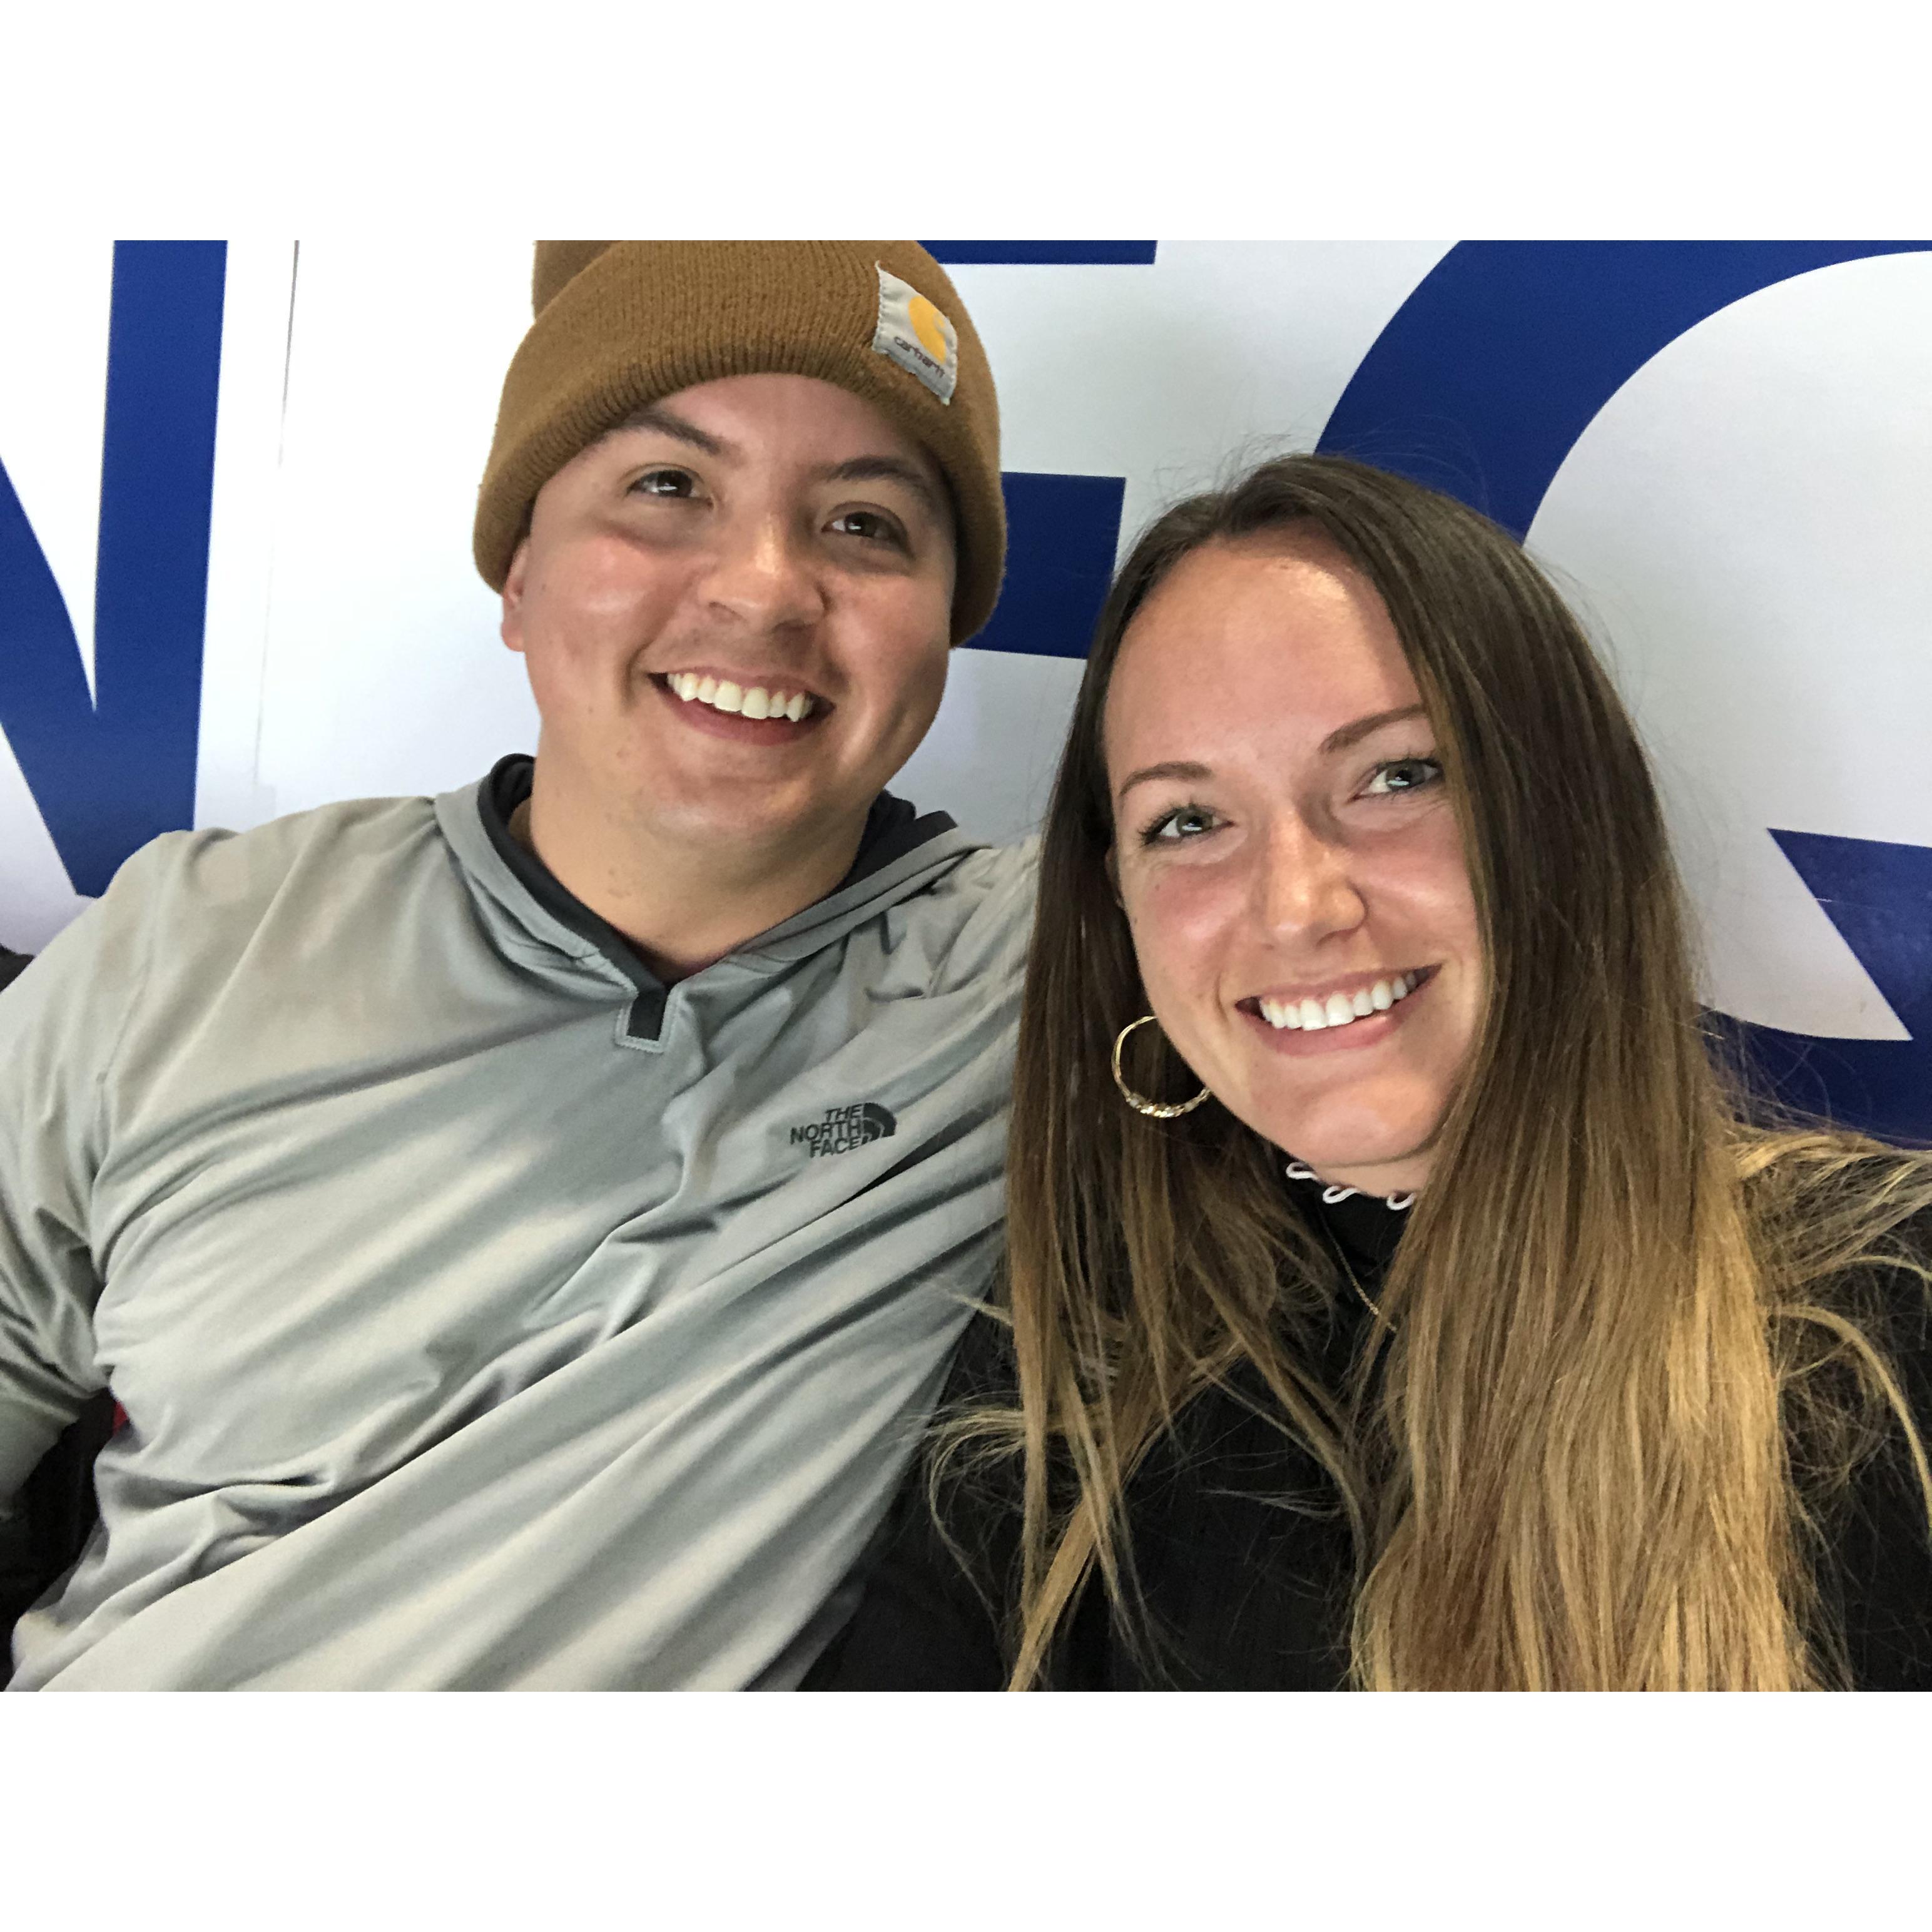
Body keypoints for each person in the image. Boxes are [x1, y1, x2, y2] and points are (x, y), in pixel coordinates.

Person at [0, 240, 1034, 1689]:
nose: (765, 588)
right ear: (520, 572)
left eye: (864, 523)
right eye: (667, 486)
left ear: (943, 625)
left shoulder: (1051, 986)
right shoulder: (197, 938)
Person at [808, 453, 1932, 1692]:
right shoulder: (1076, 1343)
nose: (1295, 906)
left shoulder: (1893, 1301)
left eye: (1397, 776)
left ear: (1564, 810)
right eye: (1187, 820)